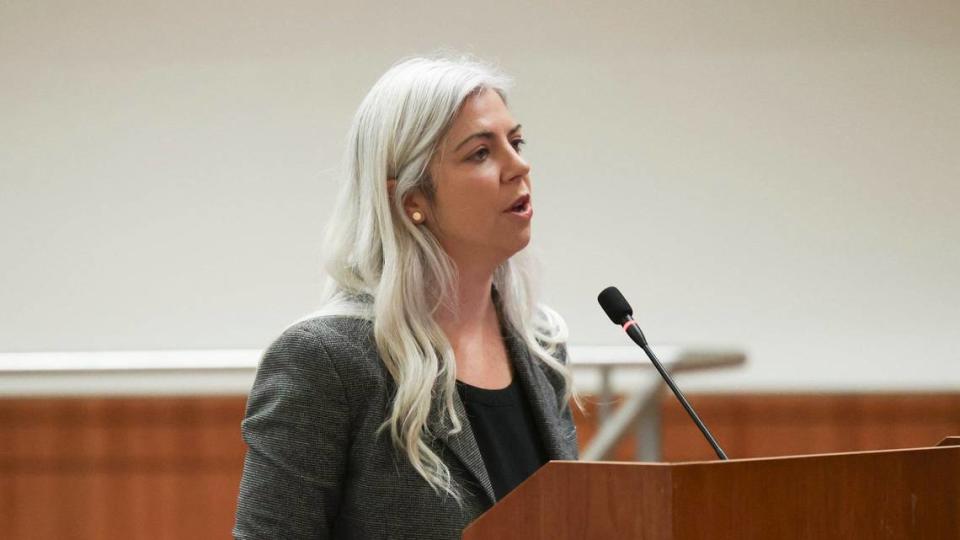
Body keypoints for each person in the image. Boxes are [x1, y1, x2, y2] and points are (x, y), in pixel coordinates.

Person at [233, 55, 578, 540]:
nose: (519, 165)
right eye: (481, 152)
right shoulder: (327, 360)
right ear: (411, 199)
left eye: (515, 142)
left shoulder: (541, 346)